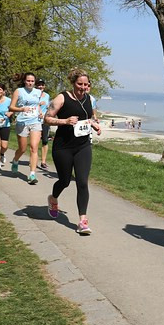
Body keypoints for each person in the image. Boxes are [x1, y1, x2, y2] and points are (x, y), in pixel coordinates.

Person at [44, 69, 101, 234]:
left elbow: (88, 117)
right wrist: (65, 121)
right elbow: (46, 119)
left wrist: (94, 124)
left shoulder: (89, 99)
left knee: (82, 182)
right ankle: (53, 198)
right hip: (63, 147)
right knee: (65, 181)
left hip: (83, 146)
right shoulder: (62, 98)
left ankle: (83, 220)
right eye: (79, 84)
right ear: (73, 83)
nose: (83, 87)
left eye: (85, 84)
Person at [9, 72, 46, 183]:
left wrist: (40, 112)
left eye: (32, 81)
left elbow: (37, 105)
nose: (30, 83)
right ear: (25, 81)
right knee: (23, 149)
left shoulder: (38, 92)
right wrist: (21, 109)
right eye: (28, 81)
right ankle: (15, 160)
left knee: (34, 147)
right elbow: (11, 107)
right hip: (22, 122)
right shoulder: (19, 91)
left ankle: (32, 174)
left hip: (35, 121)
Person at [36, 79, 51, 171]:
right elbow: (30, 105)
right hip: (35, 120)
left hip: (45, 120)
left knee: (45, 140)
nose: (40, 87)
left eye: (42, 85)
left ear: (44, 86)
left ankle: (43, 161)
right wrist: (38, 104)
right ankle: (34, 159)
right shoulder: (33, 95)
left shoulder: (47, 96)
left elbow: (48, 106)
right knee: (36, 141)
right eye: (39, 85)